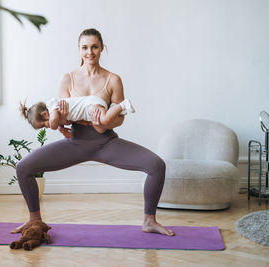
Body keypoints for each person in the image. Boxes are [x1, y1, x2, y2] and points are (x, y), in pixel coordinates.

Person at [12, 28, 175, 236]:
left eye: (94, 47)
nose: (90, 52)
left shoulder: (113, 79)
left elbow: (120, 118)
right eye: (85, 47)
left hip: (106, 143)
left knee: (157, 165)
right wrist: (71, 126)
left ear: (102, 48)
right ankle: (35, 221)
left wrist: (102, 125)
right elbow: (64, 118)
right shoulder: (67, 79)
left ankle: (149, 221)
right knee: (23, 167)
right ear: (79, 50)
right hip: (76, 144)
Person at [19, 96, 135, 130]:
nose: (47, 127)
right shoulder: (55, 114)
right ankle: (113, 108)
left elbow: (54, 123)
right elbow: (68, 121)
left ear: (45, 114)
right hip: (88, 112)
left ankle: (122, 105)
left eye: (44, 125)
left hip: (89, 105)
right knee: (105, 120)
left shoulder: (51, 105)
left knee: (104, 120)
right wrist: (63, 127)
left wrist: (57, 126)